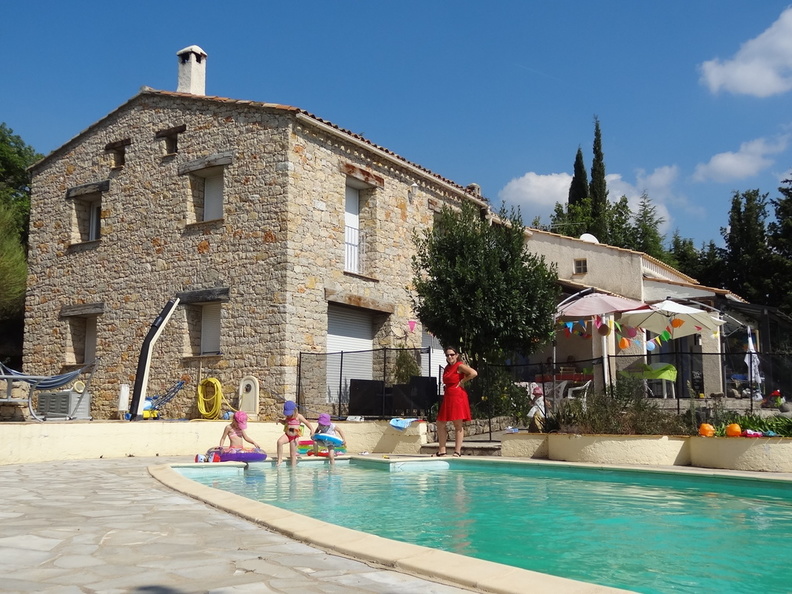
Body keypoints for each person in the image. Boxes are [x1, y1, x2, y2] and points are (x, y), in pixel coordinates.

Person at [435, 347, 477, 457]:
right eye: (447, 355)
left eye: (452, 354)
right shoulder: (447, 368)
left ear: (456, 355)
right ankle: (442, 450)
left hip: (457, 397)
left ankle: (457, 451)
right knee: (440, 423)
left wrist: (462, 381)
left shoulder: (459, 366)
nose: (450, 357)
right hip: (448, 396)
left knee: (457, 424)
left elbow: (473, 373)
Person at [276, 400, 313, 466]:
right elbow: (285, 423)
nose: (288, 415)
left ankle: (293, 468)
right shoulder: (288, 417)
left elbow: (306, 422)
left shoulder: (298, 416)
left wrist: (311, 429)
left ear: (294, 411)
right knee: (279, 442)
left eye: (289, 413)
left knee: (292, 454)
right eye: (287, 414)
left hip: (294, 437)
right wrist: (280, 421)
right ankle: (279, 459)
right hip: (287, 435)